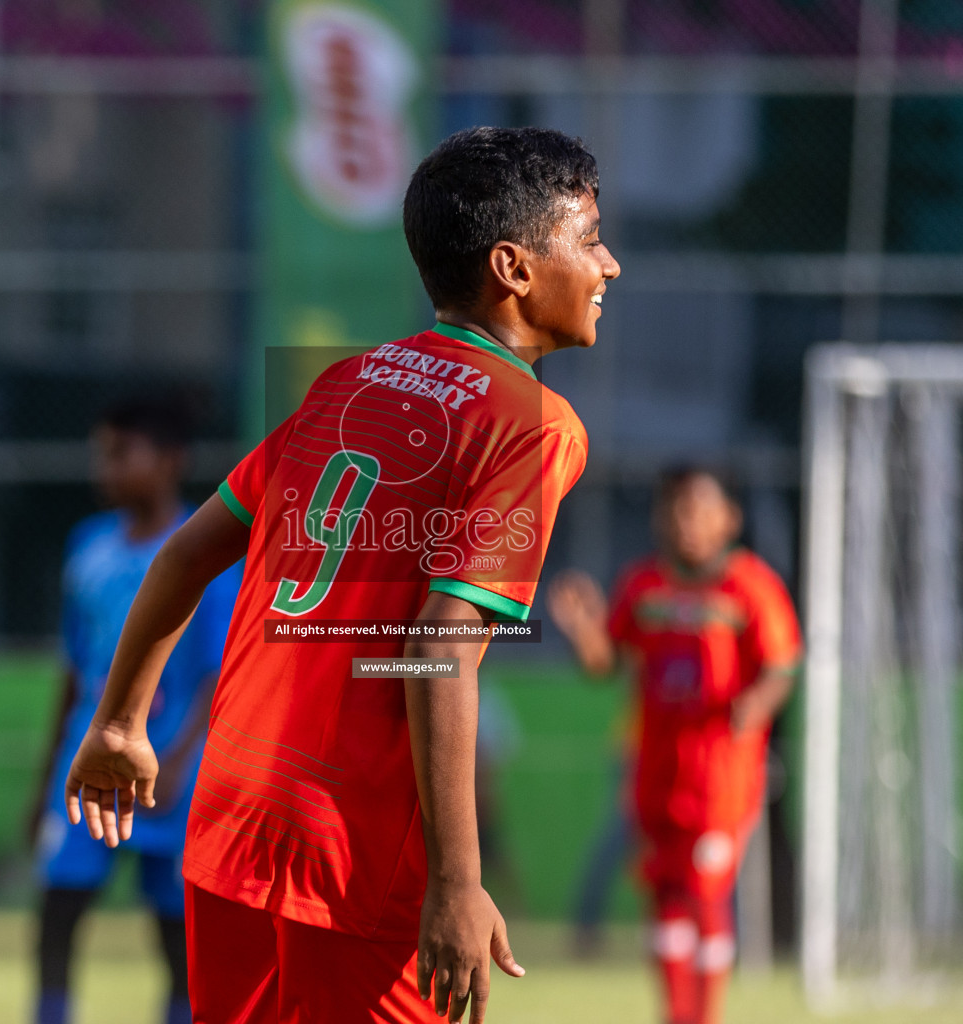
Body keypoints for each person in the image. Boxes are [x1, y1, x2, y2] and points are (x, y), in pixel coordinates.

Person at [63, 125, 619, 1024]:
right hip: (359, 853)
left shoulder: (347, 383)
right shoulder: (533, 422)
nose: (610, 264)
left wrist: (122, 722)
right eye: (590, 237)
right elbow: (439, 640)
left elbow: (186, 554)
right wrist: (457, 884)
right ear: (515, 268)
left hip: (236, 817)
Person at [548, 466, 800, 1024]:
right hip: (656, 772)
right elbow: (605, 663)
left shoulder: (748, 586)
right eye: (677, 510)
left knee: (705, 893)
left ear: (728, 518)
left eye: (701, 509)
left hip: (721, 776)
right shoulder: (644, 586)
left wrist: (755, 703)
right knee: (664, 897)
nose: (688, 523)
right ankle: (675, 1015)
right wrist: (585, 629)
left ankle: (702, 1017)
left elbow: (782, 666)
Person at [27, 398, 241, 1024]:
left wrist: (178, 762)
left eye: (122, 453)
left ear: (171, 461)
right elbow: (74, 668)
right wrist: (44, 778)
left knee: (177, 932)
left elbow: (217, 677)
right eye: (103, 454)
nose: (107, 468)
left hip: (170, 774)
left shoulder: (205, 557)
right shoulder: (87, 548)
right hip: (86, 766)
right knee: (59, 908)